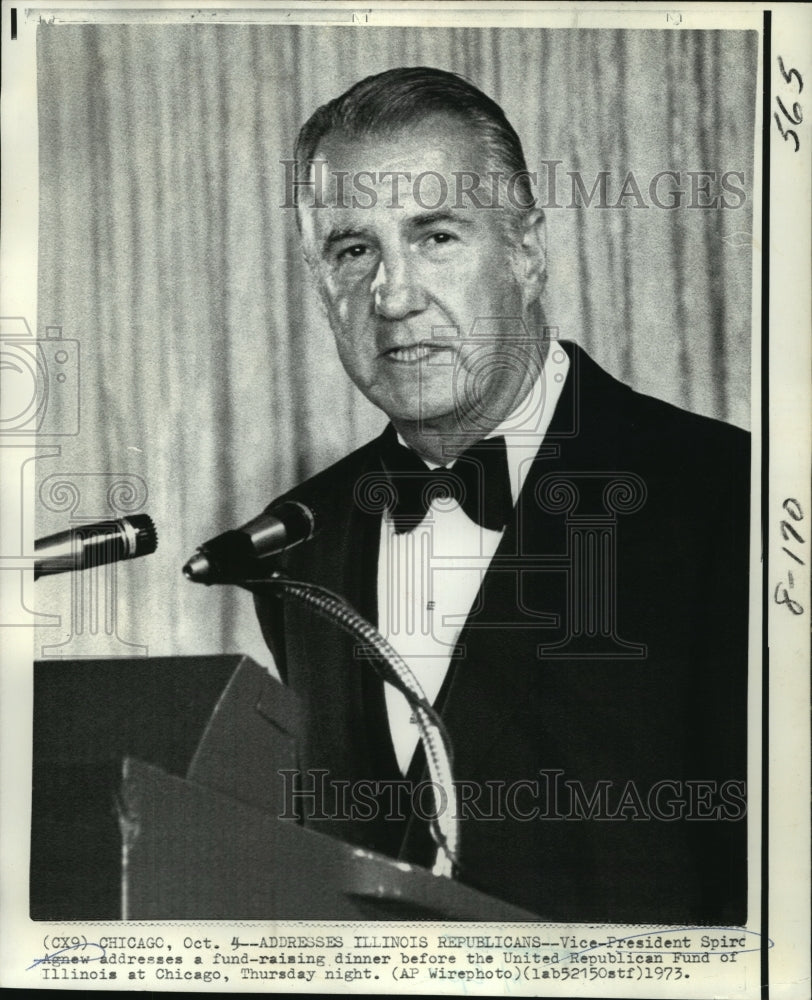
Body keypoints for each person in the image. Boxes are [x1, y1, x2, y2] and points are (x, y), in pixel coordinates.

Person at [249, 67, 749, 924]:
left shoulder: (732, 498)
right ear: (318, 281)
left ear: (527, 251)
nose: (394, 296)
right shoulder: (296, 539)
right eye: (353, 249)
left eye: (436, 236)